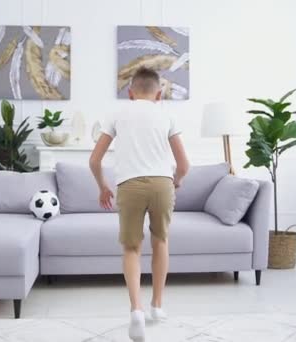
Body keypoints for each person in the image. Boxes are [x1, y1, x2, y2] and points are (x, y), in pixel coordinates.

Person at [89, 67, 190, 341]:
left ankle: (136, 311)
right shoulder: (166, 114)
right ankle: (157, 306)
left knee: (132, 248)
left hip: (129, 186)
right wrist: (176, 181)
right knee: (160, 241)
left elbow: (94, 160)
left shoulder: (117, 114)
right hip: (161, 184)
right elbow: (184, 165)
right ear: (159, 93)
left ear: (130, 92)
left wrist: (103, 187)